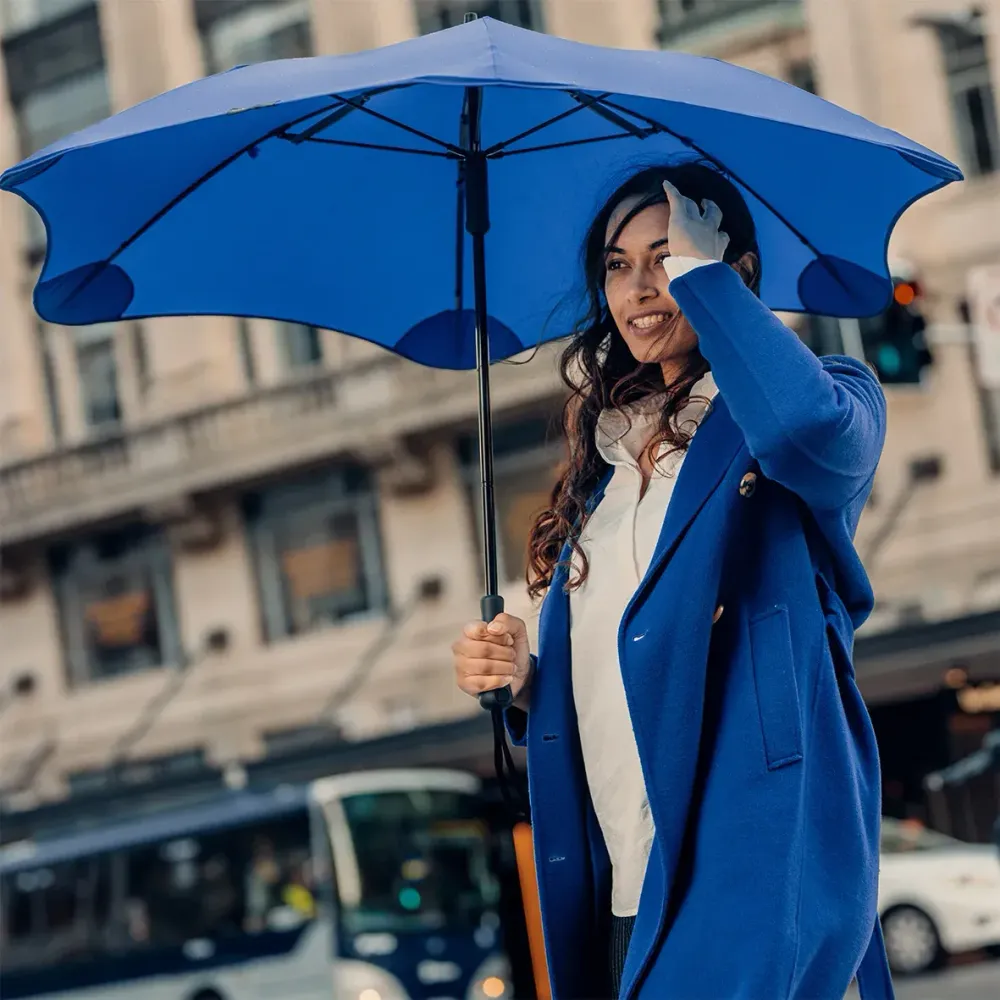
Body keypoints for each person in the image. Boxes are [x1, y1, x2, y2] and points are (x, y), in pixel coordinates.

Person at [452, 161, 892, 999]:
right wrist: (524, 681)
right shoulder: (601, 478)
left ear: (737, 268)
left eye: (667, 256)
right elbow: (615, 673)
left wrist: (707, 281)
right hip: (623, 888)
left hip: (747, 873)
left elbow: (802, 430)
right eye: (619, 265)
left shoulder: (828, 403)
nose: (642, 286)